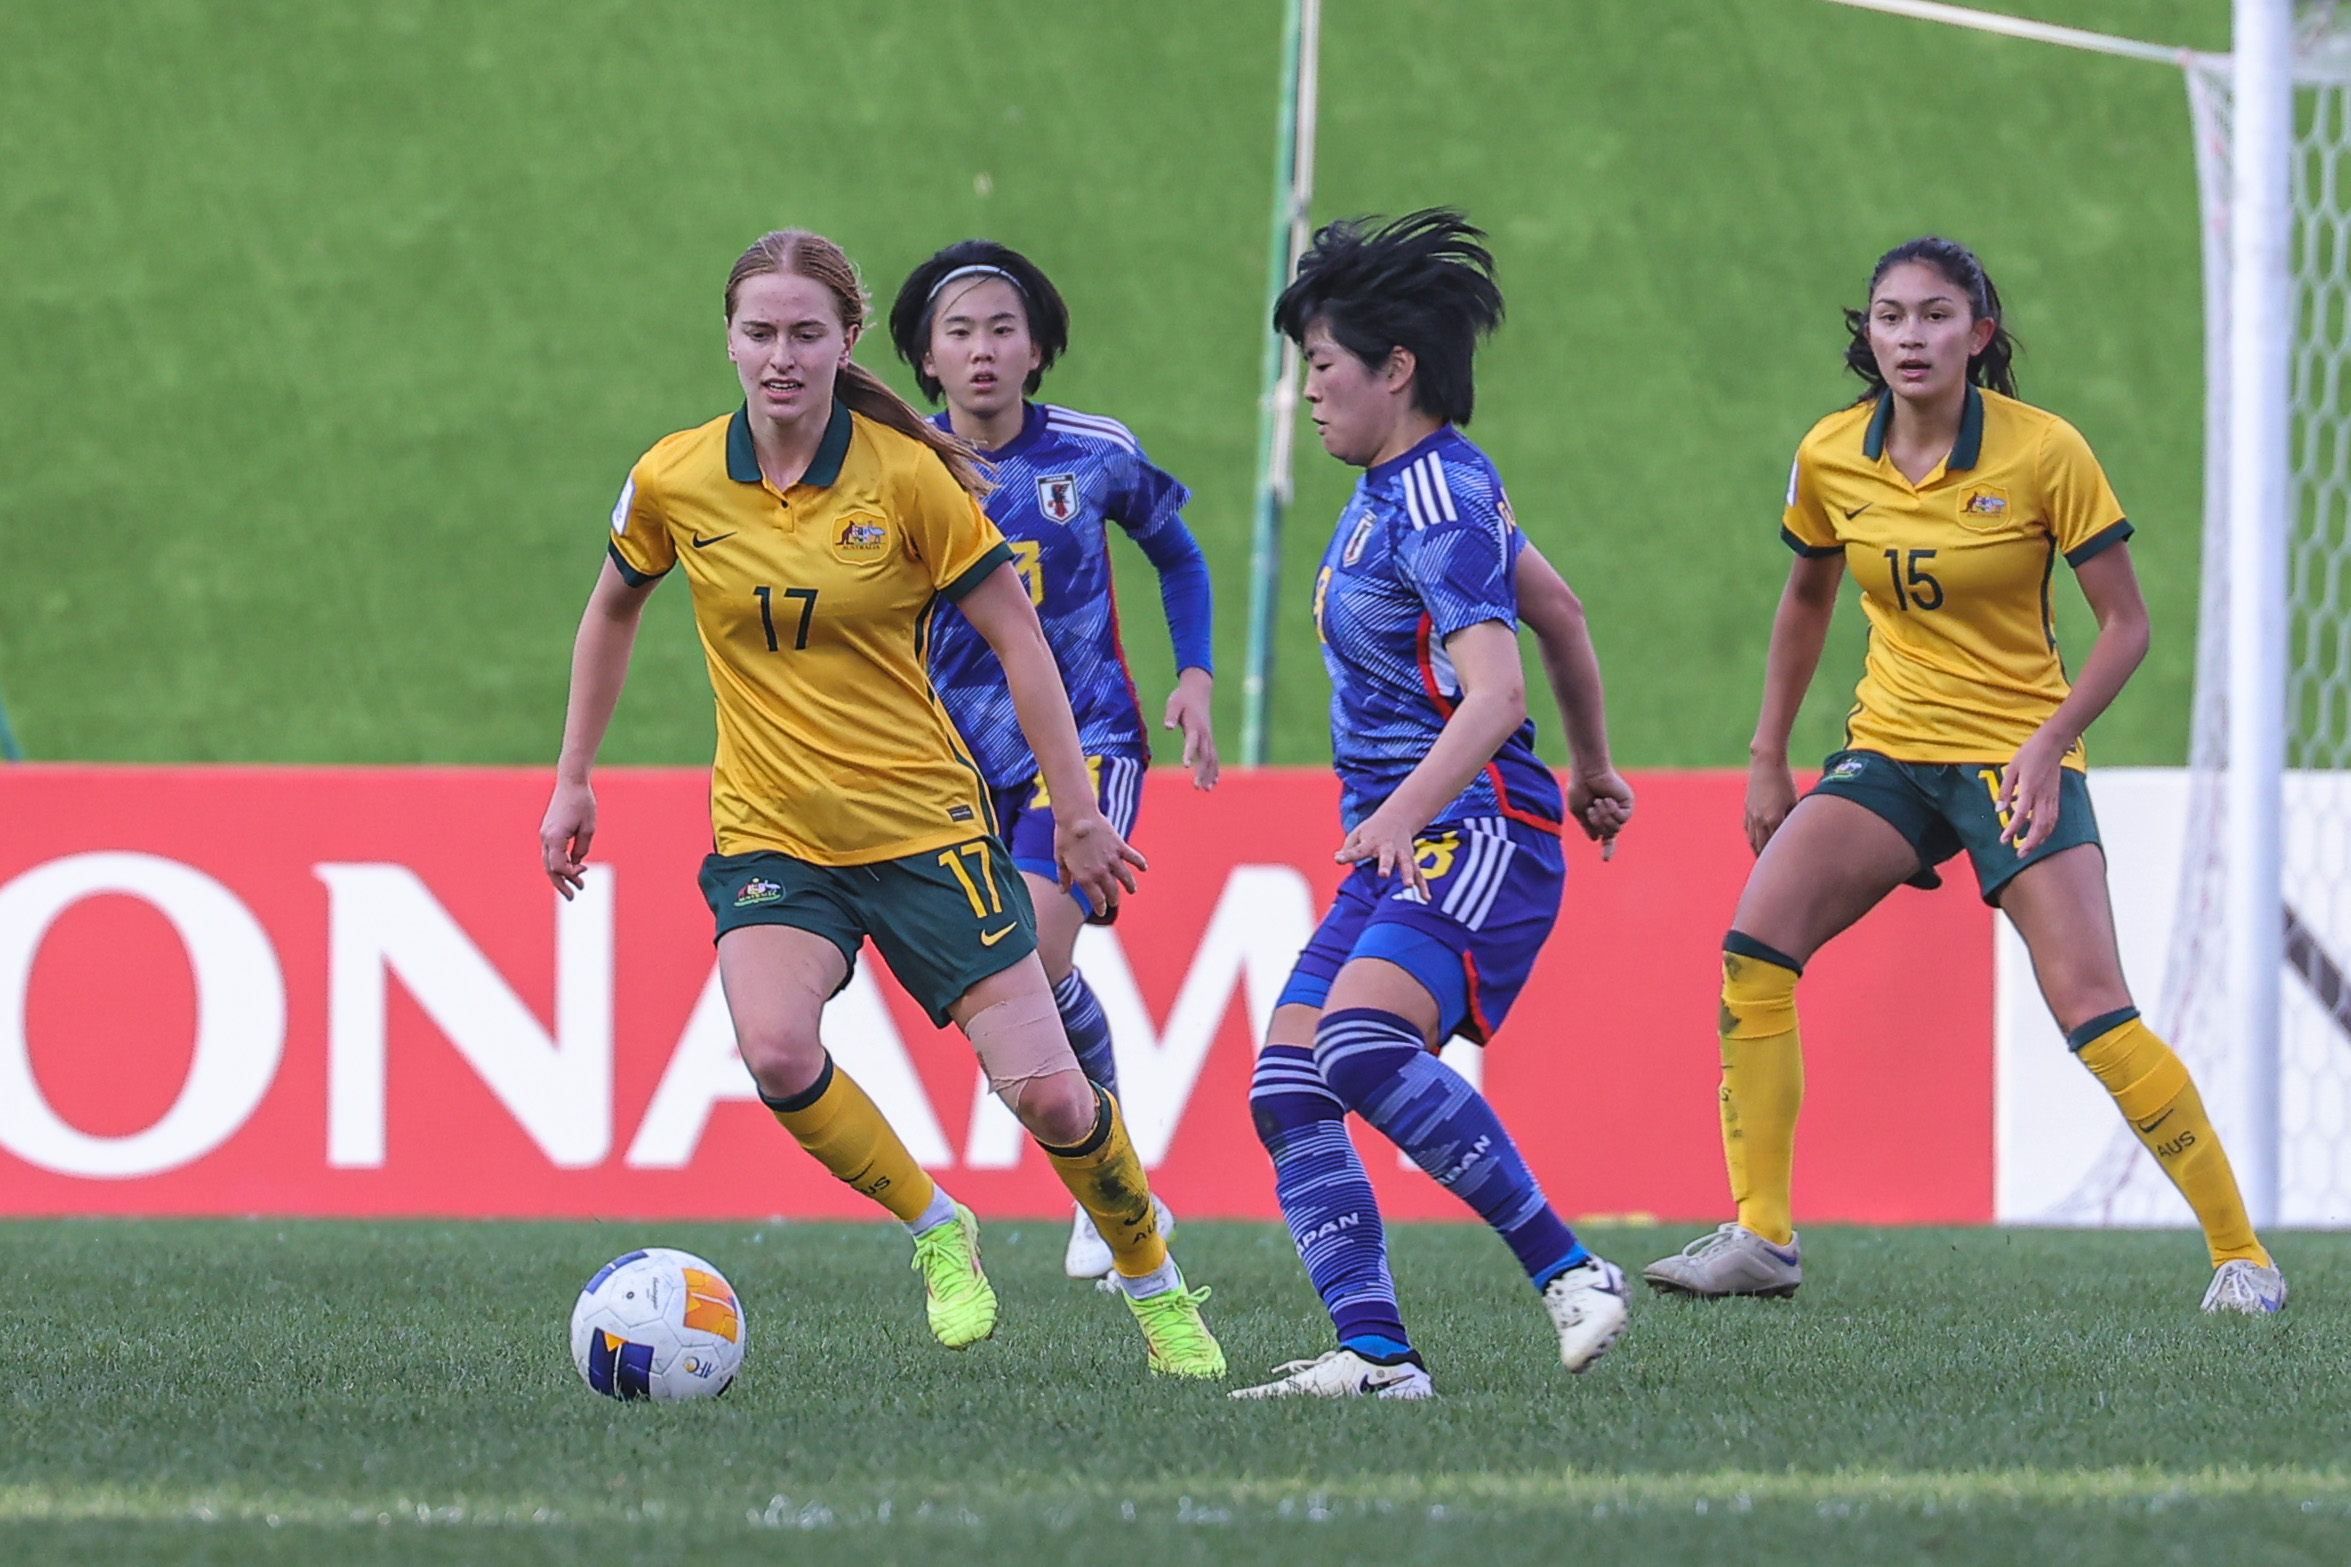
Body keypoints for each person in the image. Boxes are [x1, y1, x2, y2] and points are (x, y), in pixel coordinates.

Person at [537, 228, 1227, 1376]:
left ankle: (1150, 1276)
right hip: (773, 832)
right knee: (770, 1049)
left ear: (846, 339)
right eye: (758, 332)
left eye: (806, 333)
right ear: (727, 339)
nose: (781, 357)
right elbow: (612, 607)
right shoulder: (672, 477)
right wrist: (571, 774)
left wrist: (1078, 810)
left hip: (924, 830)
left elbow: (1020, 640)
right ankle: (935, 1227)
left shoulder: (909, 476)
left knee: (1054, 1101)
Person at [1642, 236, 2285, 1315]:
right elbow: (1803, 600)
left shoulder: (2044, 453)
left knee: (2092, 1007)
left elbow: (2124, 627)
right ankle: (1760, 1235)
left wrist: (2046, 742)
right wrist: (1766, 753)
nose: (1908, 336)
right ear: (1867, 334)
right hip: (1888, 750)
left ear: (1978, 335)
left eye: (1934, 316)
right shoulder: (1830, 454)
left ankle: (2240, 1256)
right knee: (1754, 947)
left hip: (2014, 758)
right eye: (1888, 316)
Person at [1232, 210, 1638, 1401]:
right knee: (1287, 1085)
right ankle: (1374, 1355)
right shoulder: (1408, 490)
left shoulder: (1434, 502)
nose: (1306, 394)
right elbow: (1557, 613)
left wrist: (1414, 808)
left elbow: (1497, 687)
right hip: (1419, 834)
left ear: (1394, 369)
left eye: (1320, 366)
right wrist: (1599, 767)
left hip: (1478, 832)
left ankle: (1572, 1273)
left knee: (1355, 1046)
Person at [886, 240, 1217, 1286]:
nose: (981, 351)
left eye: (1002, 329)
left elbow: (1176, 549)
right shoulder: (903, 465)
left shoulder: (1093, 453)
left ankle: (1105, 1188)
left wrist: (1195, 674)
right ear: (925, 359)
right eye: (958, 333)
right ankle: (1119, 1184)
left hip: (1087, 747)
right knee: (1012, 995)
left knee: (1027, 957)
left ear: (1037, 349)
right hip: (950, 766)